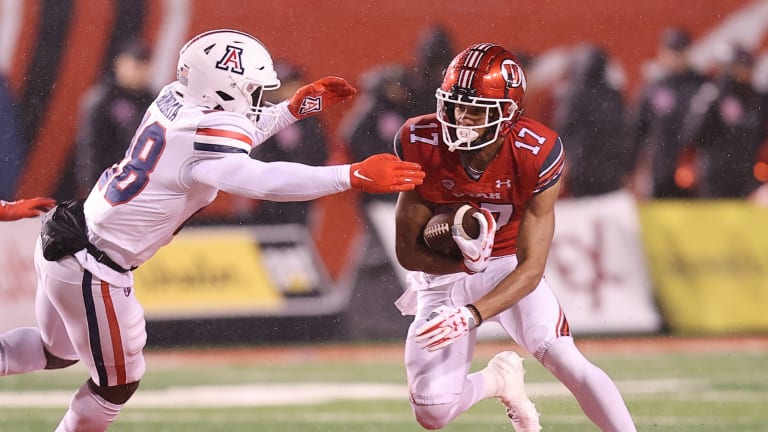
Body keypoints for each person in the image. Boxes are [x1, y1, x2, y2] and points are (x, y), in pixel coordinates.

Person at [0, 28, 425, 432]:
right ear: (222, 87)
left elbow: (233, 138)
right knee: (116, 384)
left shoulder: (175, 98)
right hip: (94, 265)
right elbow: (263, 179)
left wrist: (294, 108)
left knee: (57, 352)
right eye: (250, 89)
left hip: (73, 232)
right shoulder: (205, 129)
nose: (256, 98)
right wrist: (349, 176)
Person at [393, 43, 636, 432]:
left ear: (506, 113)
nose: (461, 118)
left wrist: (472, 315)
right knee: (432, 412)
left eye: (476, 110)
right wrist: (460, 262)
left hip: (506, 265)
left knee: (563, 357)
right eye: (455, 105)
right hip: (442, 277)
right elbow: (407, 250)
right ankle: (500, 380)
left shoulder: (534, 151)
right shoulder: (421, 140)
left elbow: (532, 268)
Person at [630, 26, 708, 199]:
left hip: (695, 171)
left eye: (680, 51)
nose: (675, 57)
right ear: (662, 52)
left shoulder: (702, 86)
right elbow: (637, 132)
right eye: (671, 51)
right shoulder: (652, 89)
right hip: (660, 170)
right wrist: (632, 171)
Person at [71, 41, 155, 198]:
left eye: (144, 65)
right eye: (135, 65)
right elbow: (90, 149)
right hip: (110, 185)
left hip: (142, 188)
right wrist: (95, 188)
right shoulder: (102, 99)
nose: (140, 71)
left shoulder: (153, 101)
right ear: (121, 64)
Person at [682, 44, 768, 198]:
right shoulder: (712, 94)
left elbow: (760, 135)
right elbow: (693, 135)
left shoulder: (758, 99)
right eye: (740, 66)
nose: (745, 72)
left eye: (748, 66)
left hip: (746, 175)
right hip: (714, 176)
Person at [552, 43, 631, 197]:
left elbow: (564, 129)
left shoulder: (573, 95)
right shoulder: (613, 96)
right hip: (609, 167)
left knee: (583, 211)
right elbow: (623, 133)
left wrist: (564, 161)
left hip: (582, 166)